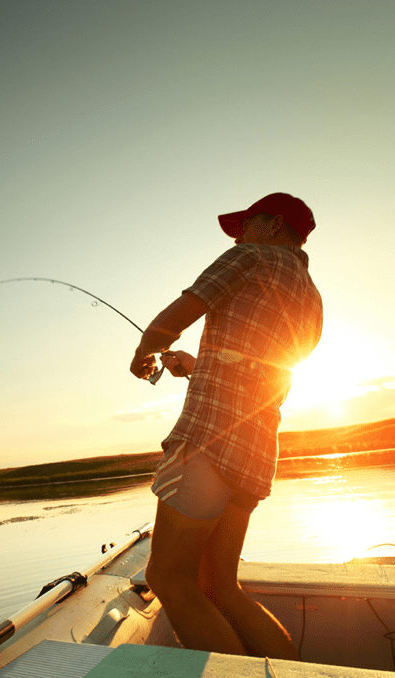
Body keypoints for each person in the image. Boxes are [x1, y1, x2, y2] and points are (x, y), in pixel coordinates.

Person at [130, 192, 323, 658]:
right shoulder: (311, 296)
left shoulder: (250, 257)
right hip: (256, 452)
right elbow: (263, 370)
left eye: (247, 223)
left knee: (167, 577)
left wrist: (145, 352)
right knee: (221, 586)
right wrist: (197, 365)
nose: (238, 234)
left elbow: (178, 314)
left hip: (208, 442)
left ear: (274, 224)